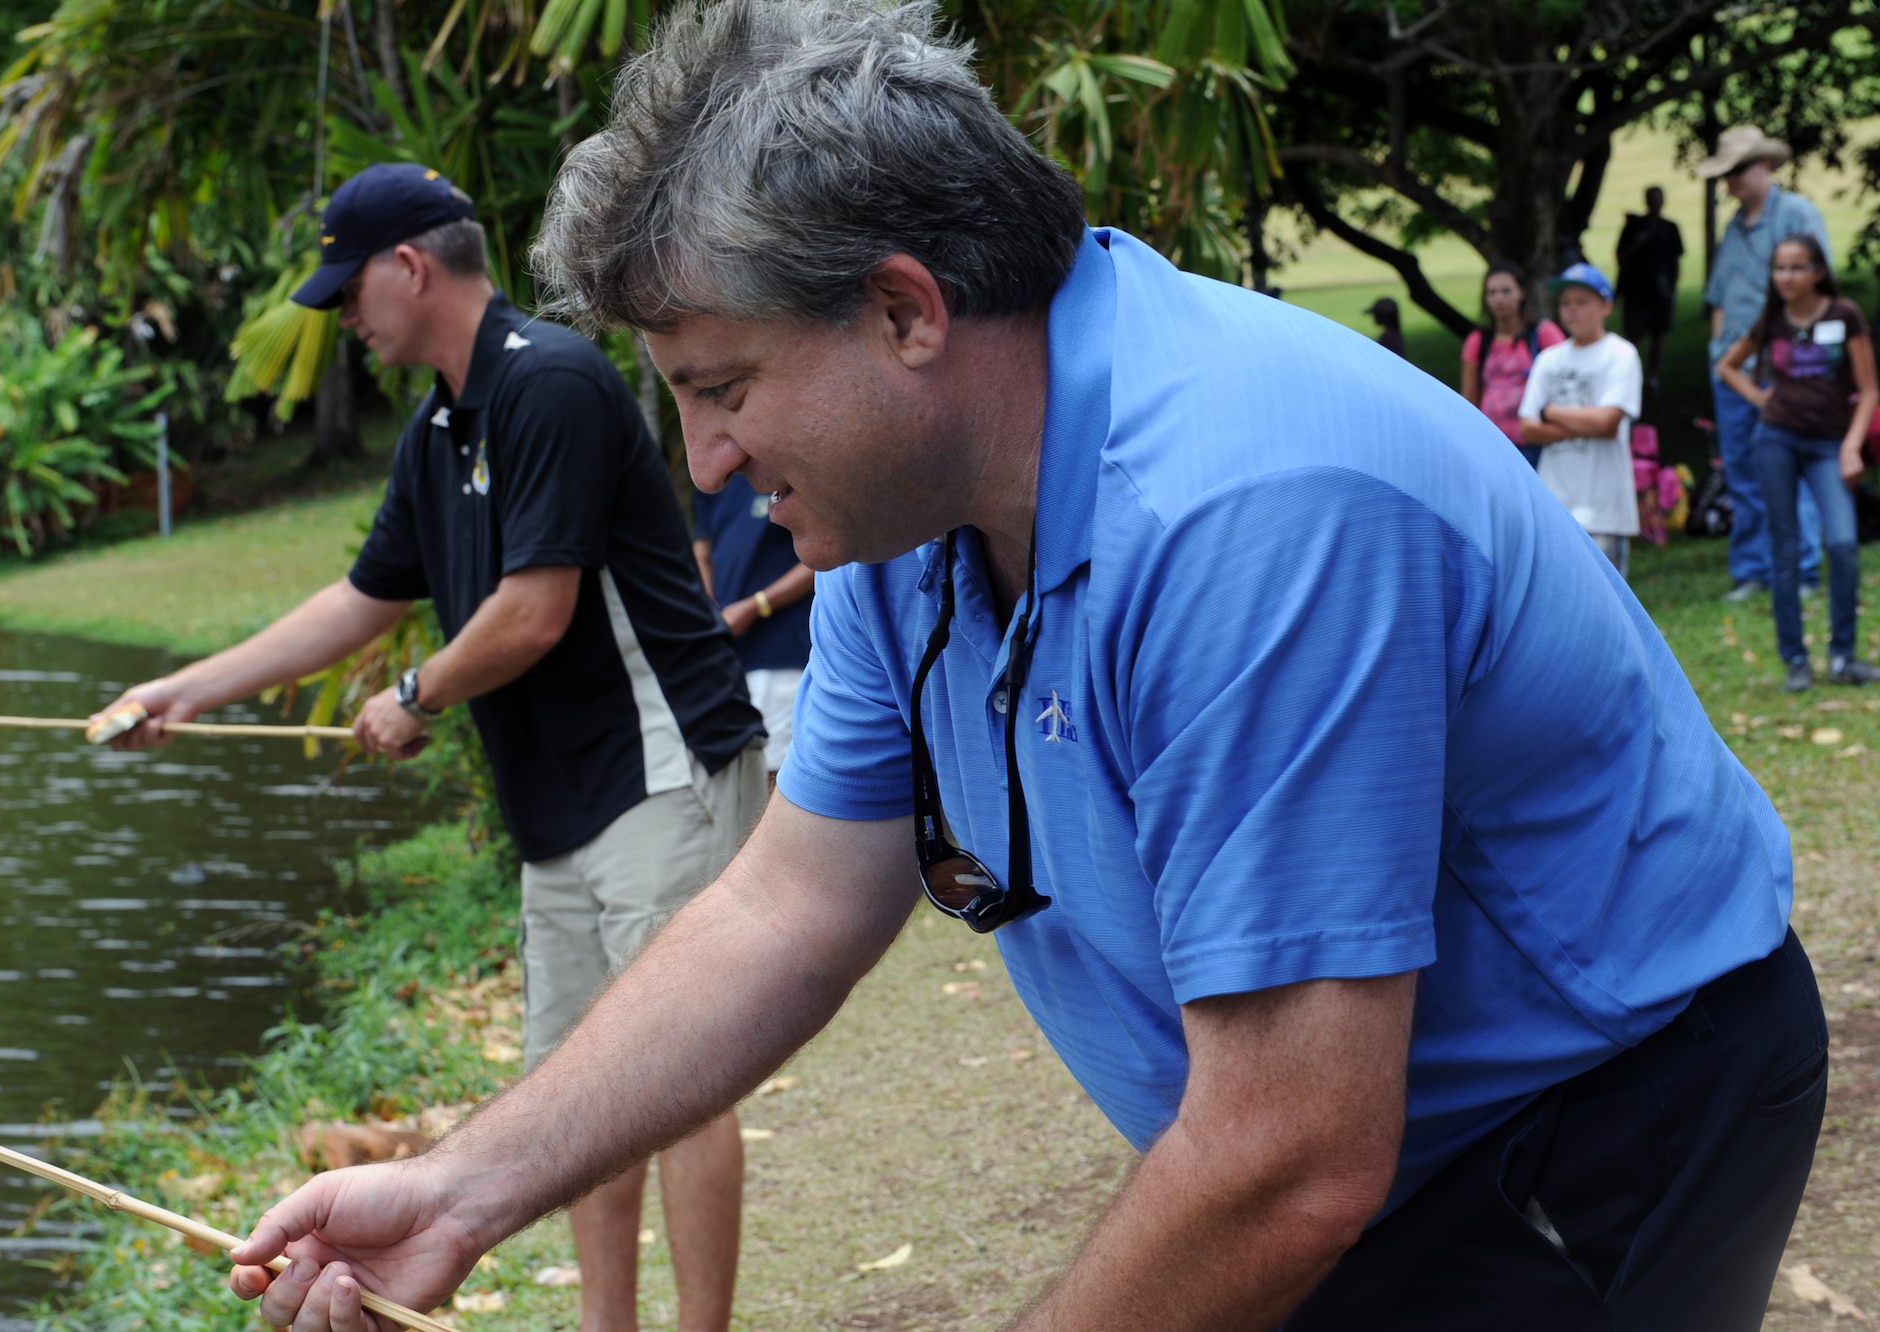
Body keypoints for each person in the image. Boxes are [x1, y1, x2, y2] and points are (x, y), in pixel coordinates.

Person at [224, 6, 1821, 1329]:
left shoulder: (1251, 513)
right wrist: (461, 1185)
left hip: (1591, 1122)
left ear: (906, 312)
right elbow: (789, 906)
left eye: (722, 389)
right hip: (1339, 1140)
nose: (707, 462)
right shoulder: (900, 512)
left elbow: (1291, 1158)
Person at [97, 162, 767, 1332]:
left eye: (347, 290)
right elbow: (357, 601)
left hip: (661, 768)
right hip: (560, 808)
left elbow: (534, 607)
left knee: (676, 1087)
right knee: (579, 1104)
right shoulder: (437, 429)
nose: (341, 319)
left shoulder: (546, 381)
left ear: (409, 266)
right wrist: (186, 691)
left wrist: (416, 691)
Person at [1716, 234, 1880, 692]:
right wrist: (1759, 398)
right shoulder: (1772, 318)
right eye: (1779, 268)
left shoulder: (1844, 315)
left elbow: (1868, 391)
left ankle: (1844, 655)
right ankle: (1796, 660)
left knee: (1844, 545)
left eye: (1796, 267)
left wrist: (1851, 446)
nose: (1786, 277)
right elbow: (1729, 365)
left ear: (1818, 271)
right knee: (1785, 550)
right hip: (1777, 441)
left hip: (1829, 445)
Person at [1700, 124, 1831, 603]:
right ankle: (1755, 569)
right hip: (1732, 370)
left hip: (1780, 366)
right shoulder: (1733, 227)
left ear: (1764, 166)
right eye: (1726, 173)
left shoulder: (1797, 215)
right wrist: (1719, 352)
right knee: (1742, 466)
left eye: (1738, 170)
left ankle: (1804, 569)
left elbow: (1818, 292)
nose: (1732, 181)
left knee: (1789, 462)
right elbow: (1718, 297)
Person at [1519, 263, 1644, 578]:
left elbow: (1607, 422)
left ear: (1606, 306)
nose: (1572, 310)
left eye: (1581, 301)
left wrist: (1553, 412)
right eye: (1565, 303)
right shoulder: (1549, 359)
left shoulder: (1620, 354)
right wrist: (1584, 420)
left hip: (1604, 506)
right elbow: (1528, 428)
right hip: (1555, 502)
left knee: (1608, 603)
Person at [694, 482, 815, 776]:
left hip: (782, 654)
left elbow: (822, 556)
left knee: (781, 776)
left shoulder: (789, 463)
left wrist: (756, 605)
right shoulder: (714, 476)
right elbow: (702, 550)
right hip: (727, 656)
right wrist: (712, 616)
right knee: (739, 776)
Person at [1460, 261, 1566, 468]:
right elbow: (1469, 400)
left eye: (1506, 291)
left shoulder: (1543, 334)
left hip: (1537, 444)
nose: (1499, 299)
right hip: (1493, 445)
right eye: (1492, 293)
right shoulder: (1478, 340)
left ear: (1522, 293)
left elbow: (1566, 383)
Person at [1615, 186, 1684, 388]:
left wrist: (1671, 287)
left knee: (1659, 335)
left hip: (1661, 292)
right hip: (1636, 290)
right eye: (1651, 199)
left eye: (1658, 199)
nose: (1655, 203)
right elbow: (1621, 255)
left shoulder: (1670, 228)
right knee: (1633, 336)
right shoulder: (1634, 226)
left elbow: (1676, 260)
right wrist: (1639, 242)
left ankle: (1653, 378)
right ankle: (1632, 377)